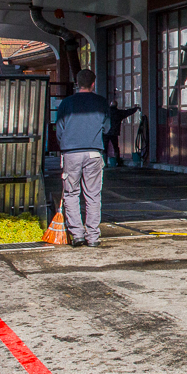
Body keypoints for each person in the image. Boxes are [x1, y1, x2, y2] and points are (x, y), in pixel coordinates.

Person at [56, 69, 110, 247]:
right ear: (93, 84)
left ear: (76, 83)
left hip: (71, 153)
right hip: (94, 152)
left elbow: (59, 130)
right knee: (93, 195)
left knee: (71, 193)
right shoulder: (101, 102)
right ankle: (93, 237)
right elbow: (108, 128)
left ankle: (77, 234)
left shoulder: (66, 103)